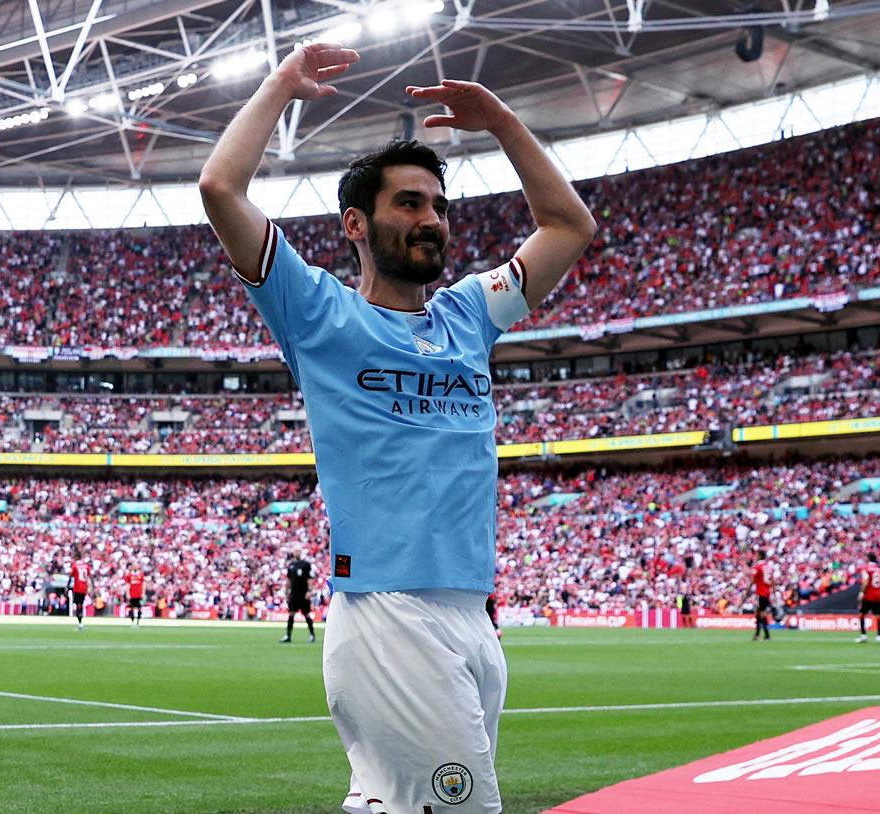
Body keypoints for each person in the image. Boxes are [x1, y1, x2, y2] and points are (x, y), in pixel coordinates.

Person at [199, 41, 595, 814]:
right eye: (409, 204)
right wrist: (283, 84)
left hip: (470, 612)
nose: (431, 221)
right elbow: (220, 187)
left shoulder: (468, 314)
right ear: (356, 222)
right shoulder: (318, 312)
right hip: (388, 614)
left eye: (440, 207)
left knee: (390, 804)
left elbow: (567, 225)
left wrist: (504, 123)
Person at [281, 549, 316, 643]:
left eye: (298, 551)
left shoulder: (305, 565)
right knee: (291, 613)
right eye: (295, 551)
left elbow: (310, 579)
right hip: (293, 594)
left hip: (303, 594)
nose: (297, 553)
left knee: (306, 614)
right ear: (293, 553)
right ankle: (288, 636)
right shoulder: (291, 566)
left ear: (301, 553)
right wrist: (286, 591)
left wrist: (309, 591)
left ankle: (312, 635)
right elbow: (288, 580)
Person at [856, 552, 880, 642]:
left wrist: (861, 593)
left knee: (861, 615)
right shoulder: (878, 569)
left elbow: (866, 581)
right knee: (878, 616)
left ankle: (863, 636)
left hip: (868, 595)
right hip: (878, 594)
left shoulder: (866, 568)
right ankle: (879, 636)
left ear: (868, 558)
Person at [752, 552, 775, 641]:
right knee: (759, 613)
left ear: (760, 556)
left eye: (757, 555)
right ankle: (758, 634)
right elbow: (773, 580)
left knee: (761, 614)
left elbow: (753, 580)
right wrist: (774, 591)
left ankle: (766, 635)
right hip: (767, 592)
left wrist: (747, 591)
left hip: (761, 592)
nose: (755, 556)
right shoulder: (769, 567)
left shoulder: (758, 567)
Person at [68, 548, 92, 631]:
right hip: (84, 588)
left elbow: (71, 576)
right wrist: (90, 587)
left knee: (78, 605)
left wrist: (67, 587)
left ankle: (80, 622)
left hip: (77, 587)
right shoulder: (86, 565)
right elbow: (89, 576)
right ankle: (80, 621)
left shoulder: (74, 565)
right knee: (80, 604)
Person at [125, 562, 145, 627]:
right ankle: (133, 622)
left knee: (139, 608)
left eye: (137, 566)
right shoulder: (129, 575)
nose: (136, 567)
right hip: (132, 594)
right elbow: (128, 585)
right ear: (132, 567)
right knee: (131, 608)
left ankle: (138, 622)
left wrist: (143, 593)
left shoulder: (141, 574)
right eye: (134, 566)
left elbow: (143, 584)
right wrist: (128, 593)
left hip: (139, 595)